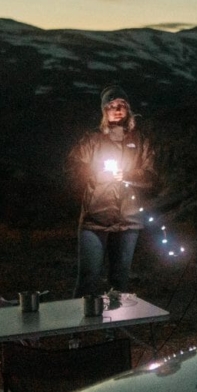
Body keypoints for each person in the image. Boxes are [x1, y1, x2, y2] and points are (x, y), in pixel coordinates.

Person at [66, 85, 158, 299]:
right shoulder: (92, 140)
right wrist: (93, 172)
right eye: (111, 105)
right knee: (88, 279)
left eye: (122, 105)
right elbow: (71, 166)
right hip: (95, 218)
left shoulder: (140, 140)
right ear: (104, 111)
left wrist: (128, 174)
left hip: (129, 220)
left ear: (128, 109)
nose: (117, 109)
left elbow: (152, 176)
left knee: (120, 281)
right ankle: (78, 331)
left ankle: (114, 331)